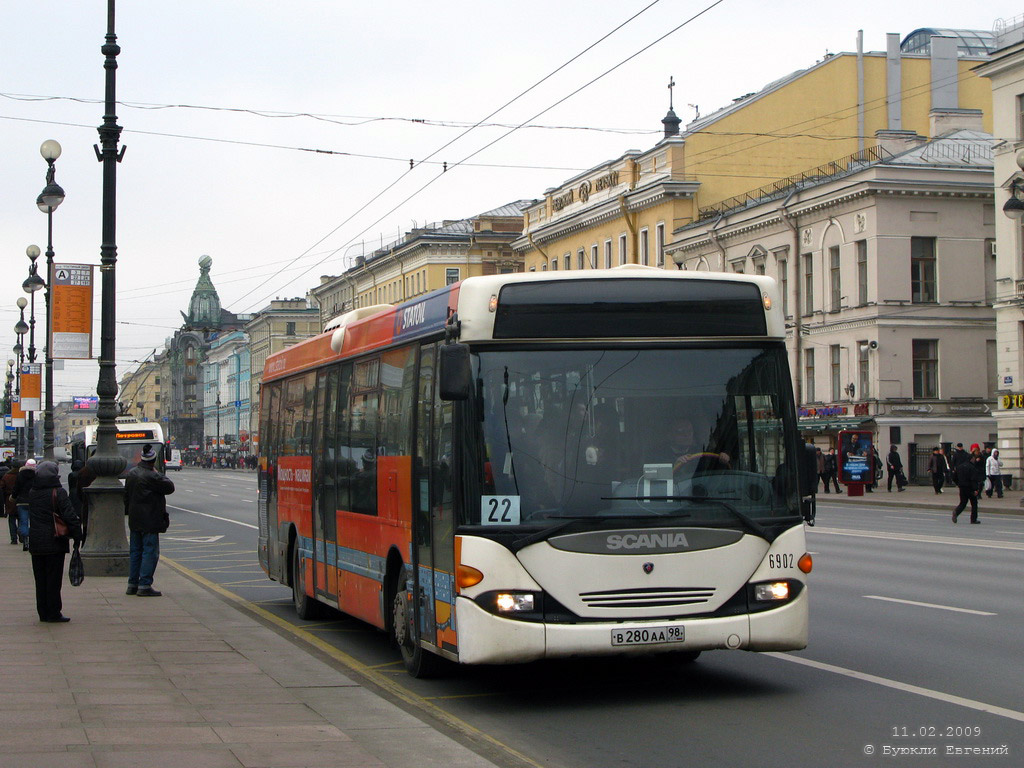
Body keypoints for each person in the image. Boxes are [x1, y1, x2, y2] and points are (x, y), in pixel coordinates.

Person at [27, 460, 83, 623]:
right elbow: (69, 514)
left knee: (40, 579)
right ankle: (53, 612)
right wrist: (77, 534)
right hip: (54, 540)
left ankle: (43, 612)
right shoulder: (58, 492)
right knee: (53, 579)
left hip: (36, 541)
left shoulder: (32, 492)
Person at [124, 444, 175, 596]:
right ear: (153, 461)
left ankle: (132, 584)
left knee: (135, 552)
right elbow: (169, 487)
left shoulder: (132, 474)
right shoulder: (152, 476)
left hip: (135, 519)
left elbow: (126, 497)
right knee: (149, 552)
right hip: (150, 519)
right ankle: (145, 585)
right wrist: (157, 473)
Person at [952, 450, 984, 524]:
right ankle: (973, 519)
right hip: (970, 488)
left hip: (962, 487)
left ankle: (956, 511)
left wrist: (958, 483)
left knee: (963, 502)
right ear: (971, 459)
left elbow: (954, 477)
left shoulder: (959, 467)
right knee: (974, 504)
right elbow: (973, 479)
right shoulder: (972, 467)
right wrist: (976, 489)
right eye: (973, 459)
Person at [14, 458, 37, 551]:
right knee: (33, 522)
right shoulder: (36, 475)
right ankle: (32, 539)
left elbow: (16, 488)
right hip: (33, 501)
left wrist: (13, 497)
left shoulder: (20, 475)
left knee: (23, 521)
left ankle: (25, 539)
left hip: (21, 501)